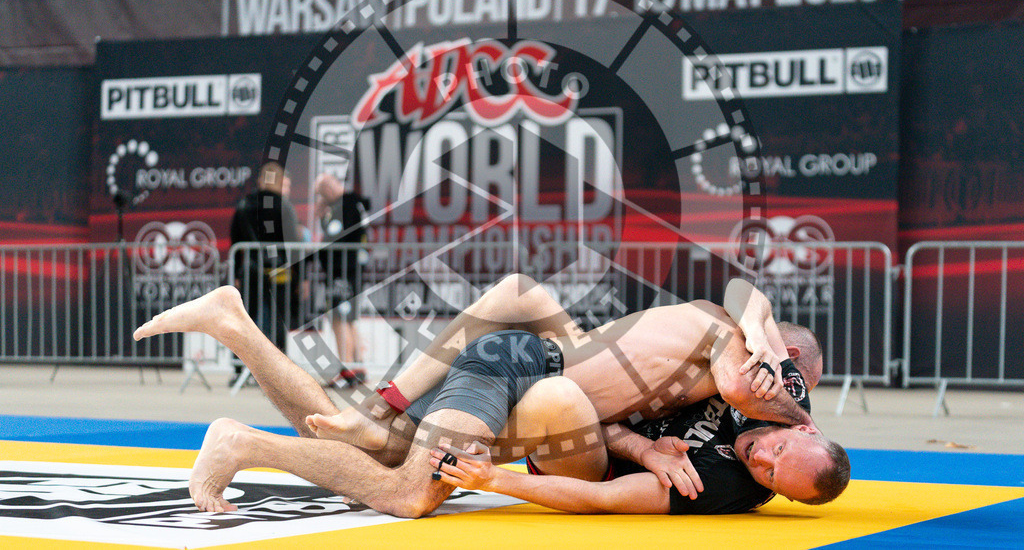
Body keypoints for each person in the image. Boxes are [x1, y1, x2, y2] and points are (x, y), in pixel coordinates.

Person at [134, 275, 843, 517]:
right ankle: (242, 442)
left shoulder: (735, 465)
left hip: (527, 373)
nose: (766, 445)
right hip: (531, 381)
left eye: (774, 466)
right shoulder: (727, 345)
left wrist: (643, 446)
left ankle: (234, 321)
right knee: (410, 489)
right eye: (779, 438)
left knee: (373, 441)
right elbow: (746, 302)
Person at [428, 321, 848, 514]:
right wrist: (647, 449)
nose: (761, 459)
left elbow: (602, 498)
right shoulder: (782, 390)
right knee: (521, 295)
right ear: (804, 428)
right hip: (614, 416)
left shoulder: (720, 486)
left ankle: (422, 461)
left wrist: (495, 481)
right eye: (779, 450)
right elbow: (743, 300)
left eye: (771, 477)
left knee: (560, 394)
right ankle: (400, 406)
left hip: (590, 464)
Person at [229, 162, 300, 373]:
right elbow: (294, 244)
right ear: (279, 183)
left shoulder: (243, 205)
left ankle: (239, 369)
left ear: (261, 181)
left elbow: (236, 242)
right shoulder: (284, 206)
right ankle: (278, 372)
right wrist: (300, 276)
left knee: (244, 320)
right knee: (278, 321)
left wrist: (236, 274)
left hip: (249, 270)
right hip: (279, 270)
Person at [313, 173, 371, 387]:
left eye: (321, 194)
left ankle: (347, 371)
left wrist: (324, 217)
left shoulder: (344, 205)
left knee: (340, 319)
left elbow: (332, 238)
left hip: (342, 272)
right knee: (349, 319)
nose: (321, 199)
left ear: (329, 188)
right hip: (349, 270)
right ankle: (357, 368)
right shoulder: (353, 204)